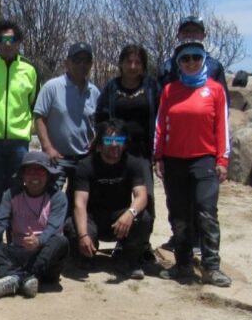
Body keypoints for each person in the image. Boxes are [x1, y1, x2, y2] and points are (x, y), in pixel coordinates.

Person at [154, 40, 232, 287]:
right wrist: (158, 156)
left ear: (203, 60)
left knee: (206, 211)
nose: (190, 63)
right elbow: (160, 124)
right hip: (174, 160)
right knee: (178, 214)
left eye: (195, 58)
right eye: (185, 59)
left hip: (204, 159)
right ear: (178, 63)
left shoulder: (215, 90)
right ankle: (183, 264)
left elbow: (222, 127)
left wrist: (223, 160)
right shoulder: (170, 91)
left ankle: (211, 266)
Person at [67, 119, 152, 279]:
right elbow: (79, 203)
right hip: (92, 219)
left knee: (144, 218)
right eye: (108, 140)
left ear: (124, 143)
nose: (114, 144)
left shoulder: (133, 163)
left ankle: (127, 259)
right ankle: (85, 255)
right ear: (100, 143)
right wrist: (83, 235)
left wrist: (129, 214)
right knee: (71, 225)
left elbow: (141, 196)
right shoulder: (86, 165)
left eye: (119, 140)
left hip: (119, 220)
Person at [95, 44, 161, 248]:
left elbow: (161, 117)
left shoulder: (152, 87)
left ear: (143, 66)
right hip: (115, 151)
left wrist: (158, 152)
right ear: (121, 64)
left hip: (141, 152)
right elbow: (101, 118)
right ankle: (121, 242)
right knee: (117, 195)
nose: (133, 66)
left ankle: (142, 244)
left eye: (137, 62)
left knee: (145, 197)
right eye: (129, 62)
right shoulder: (111, 88)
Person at [0, 151, 69, 299]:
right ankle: (24, 280)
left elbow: (53, 227)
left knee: (61, 241)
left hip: (44, 257)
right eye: (30, 171)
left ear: (48, 175)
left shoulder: (58, 197)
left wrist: (38, 241)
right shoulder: (11, 194)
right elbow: (0, 221)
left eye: (40, 171)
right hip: (19, 251)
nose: (35, 176)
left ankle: (15, 278)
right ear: (23, 175)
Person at [0, 19, 40, 205]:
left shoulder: (30, 70)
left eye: (13, 39)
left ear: (19, 42)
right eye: (2, 39)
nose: (8, 44)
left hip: (19, 142)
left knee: (18, 193)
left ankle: (14, 234)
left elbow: (33, 103)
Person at [34, 42, 101, 192]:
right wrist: (47, 147)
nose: (82, 65)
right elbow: (39, 117)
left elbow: (100, 123)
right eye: (77, 60)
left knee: (82, 200)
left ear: (91, 65)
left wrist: (96, 142)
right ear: (67, 62)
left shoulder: (95, 92)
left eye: (86, 61)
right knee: (53, 199)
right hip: (57, 157)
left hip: (85, 158)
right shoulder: (52, 87)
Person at [157, 16, 228, 93]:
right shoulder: (166, 67)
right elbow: (158, 100)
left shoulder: (215, 66)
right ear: (178, 36)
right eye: (186, 31)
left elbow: (223, 99)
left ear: (203, 35)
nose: (190, 35)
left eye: (195, 31)